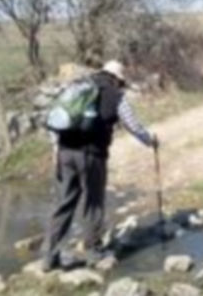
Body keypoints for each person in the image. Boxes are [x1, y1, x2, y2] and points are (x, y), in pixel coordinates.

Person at [42, 60, 158, 271]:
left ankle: (49, 256)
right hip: (92, 156)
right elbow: (132, 125)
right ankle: (93, 251)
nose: (120, 86)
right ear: (116, 79)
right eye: (121, 82)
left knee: (62, 204)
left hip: (65, 153)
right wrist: (150, 140)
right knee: (92, 203)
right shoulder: (116, 96)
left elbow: (55, 117)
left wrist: (55, 148)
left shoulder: (77, 86)